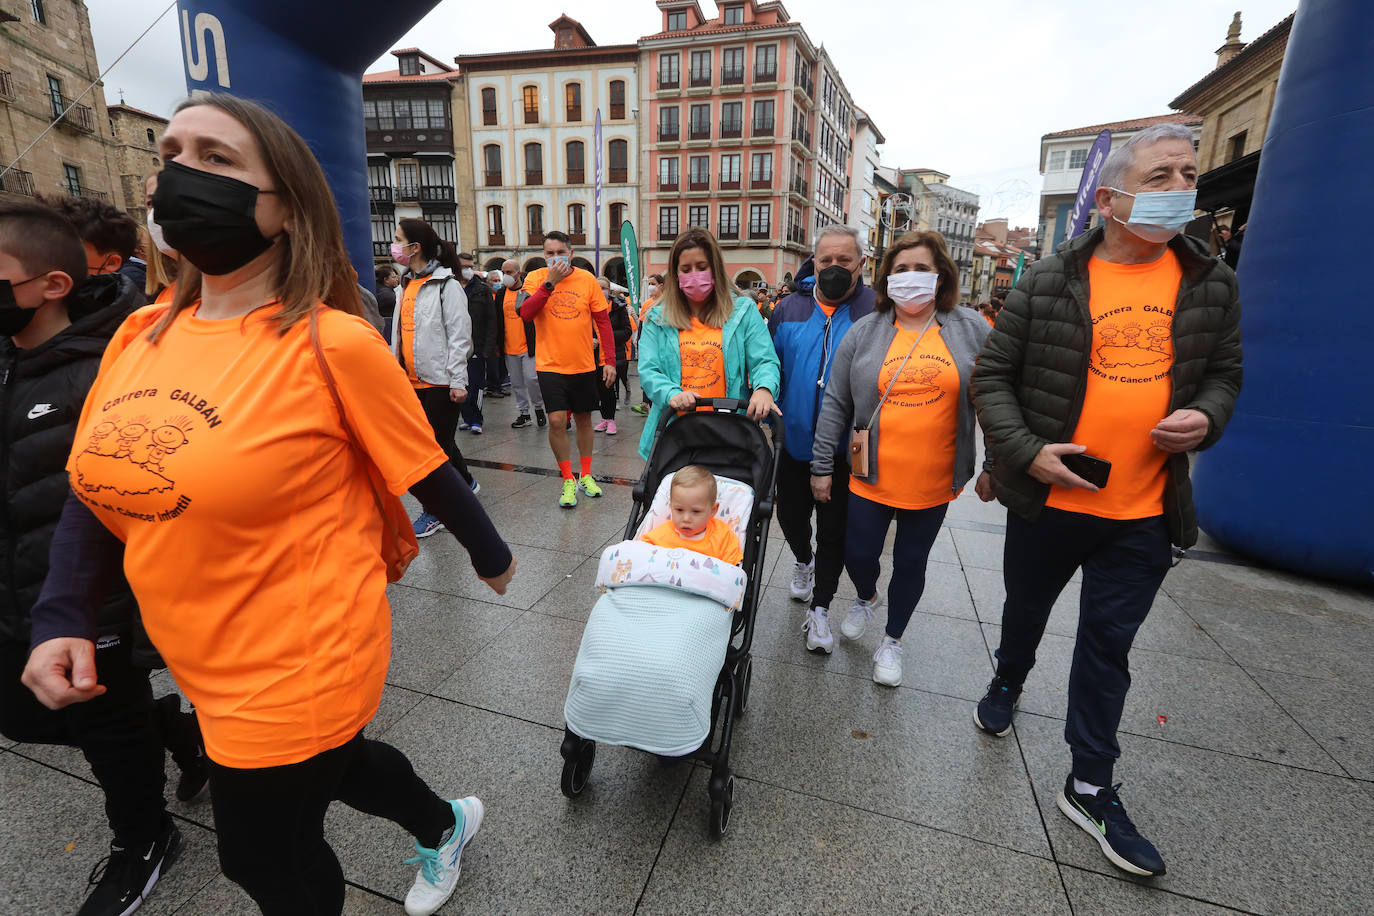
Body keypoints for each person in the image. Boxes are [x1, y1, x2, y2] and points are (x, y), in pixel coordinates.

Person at [22, 93, 518, 916]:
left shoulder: (335, 341)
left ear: (285, 207)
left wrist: (492, 554)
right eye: (173, 152)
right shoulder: (137, 332)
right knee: (342, 767)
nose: (183, 172)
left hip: (301, 653)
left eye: (217, 159)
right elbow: (93, 489)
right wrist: (62, 615)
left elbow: (426, 464)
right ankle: (444, 822)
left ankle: (430, 831)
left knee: (263, 857)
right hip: (200, 649)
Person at [971, 123, 1243, 878]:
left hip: (1146, 514)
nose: (1180, 189)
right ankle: (1008, 676)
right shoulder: (1049, 280)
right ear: (1111, 196)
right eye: (1160, 177)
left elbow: (1225, 373)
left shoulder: (1210, 282)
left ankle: (1089, 784)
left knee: (1106, 649)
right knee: (1024, 612)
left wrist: (1208, 416)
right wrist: (1028, 455)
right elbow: (991, 379)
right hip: (1049, 505)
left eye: (1188, 174)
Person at [0, 201, 184, 916]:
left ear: (51, 284)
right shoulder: (8, 359)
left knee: (109, 732)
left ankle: (144, 838)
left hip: (92, 598)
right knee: (22, 716)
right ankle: (172, 729)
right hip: (16, 587)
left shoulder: (111, 363)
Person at [810, 231, 993, 686]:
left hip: (933, 477)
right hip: (870, 471)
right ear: (886, 277)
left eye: (922, 269)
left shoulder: (971, 328)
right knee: (858, 553)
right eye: (901, 269)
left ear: (941, 275)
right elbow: (835, 401)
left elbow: (994, 398)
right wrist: (819, 466)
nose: (910, 278)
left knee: (912, 561)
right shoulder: (865, 331)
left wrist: (995, 465)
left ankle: (892, 640)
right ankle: (867, 596)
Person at [767, 227, 874, 653]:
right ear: (814, 260)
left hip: (846, 452)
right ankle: (802, 561)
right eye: (826, 260)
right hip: (792, 442)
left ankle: (821, 610)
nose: (834, 268)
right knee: (791, 520)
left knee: (835, 533)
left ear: (861, 264)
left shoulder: (875, 311)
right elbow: (769, 368)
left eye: (844, 261)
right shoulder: (788, 308)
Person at [636, 226, 781, 461]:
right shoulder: (658, 317)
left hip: (729, 432)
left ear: (715, 268)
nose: (694, 274)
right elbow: (648, 370)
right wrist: (671, 393)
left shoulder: (742, 312)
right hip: (675, 434)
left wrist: (764, 389)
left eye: (702, 267)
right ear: (675, 274)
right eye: (686, 269)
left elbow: (764, 360)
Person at [518, 231, 617, 508]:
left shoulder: (587, 280)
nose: (555, 257)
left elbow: (603, 322)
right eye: (549, 253)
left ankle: (585, 474)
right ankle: (567, 478)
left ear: (570, 253)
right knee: (558, 421)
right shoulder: (536, 278)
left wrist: (609, 360)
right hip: (550, 364)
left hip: (583, 364)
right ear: (543, 255)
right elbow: (525, 313)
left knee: (585, 420)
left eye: (560, 252)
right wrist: (550, 283)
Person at [392, 218, 478, 537]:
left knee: (432, 451)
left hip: (441, 380)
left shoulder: (447, 285)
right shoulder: (405, 283)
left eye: (399, 240)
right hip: (412, 380)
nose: (394, 245)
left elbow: (459, 336)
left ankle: (436, 511)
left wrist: (458, 381)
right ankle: (466, 481)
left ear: (415, 247)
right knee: (440, 442)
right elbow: (400, 335)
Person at [639, 465, 743, 565]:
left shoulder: (722, 537)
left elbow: (731, 572)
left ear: (713, 510)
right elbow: (639, 555)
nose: (686, 519)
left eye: (696, 511)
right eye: (679, 510)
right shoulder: (660, 535)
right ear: (671, 506)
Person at [456, 251, 500, 435]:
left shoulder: (481, 289)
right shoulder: (450, 287)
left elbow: (491, 320)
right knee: (459, 384)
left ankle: (476, 419)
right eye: (464, 266)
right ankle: (466, 417)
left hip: (477, 345)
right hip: (456, 345)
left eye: (470, 267)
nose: (468, 270)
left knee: (475, 385)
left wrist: (488, 348)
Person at [498, 260, 545, 429]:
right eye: (504, 272)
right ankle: (524, 414)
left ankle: (539, 408)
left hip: (528, 346)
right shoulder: (502, 294)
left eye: (510, 272)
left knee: (532, 379)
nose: (506, 276)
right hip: (509, 347)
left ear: (519, 273)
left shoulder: (527, 292)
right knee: (517, 383)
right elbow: (498, 320)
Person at [594, 276, 633, 435]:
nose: (601, 290)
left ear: (609, 290)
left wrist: (605, 336)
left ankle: (611, 420)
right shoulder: (590, 306)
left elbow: (627, 331)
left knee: (609, 388)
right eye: (598, 287)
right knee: (599, 389)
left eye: (603, 288)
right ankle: (604, 418)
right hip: (593, 355)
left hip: (612, 354)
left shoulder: (618, 306)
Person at [630, 274, 664, 415]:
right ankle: (648, 407)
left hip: (662, 346)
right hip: (647, 345)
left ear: (661, 285)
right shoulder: (646, 303)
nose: (650, 286)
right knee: (648, 376)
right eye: (649, 283)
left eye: (653, 283)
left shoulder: (668, 302)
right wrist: (639, 346)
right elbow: (642, 326)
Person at [375, 264, 398, 342]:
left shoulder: (378, 289)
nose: (397, 279)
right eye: (394, 277)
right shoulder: (388, 296)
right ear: (386, 280)